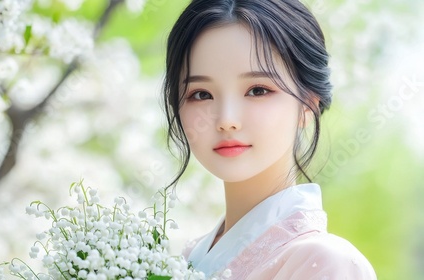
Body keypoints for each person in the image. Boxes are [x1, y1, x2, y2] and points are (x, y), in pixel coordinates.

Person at [161, 0, 377, 279]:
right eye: (201, 94)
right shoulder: (183, 258)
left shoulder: (326, 264)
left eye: (258, 90)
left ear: (307, 105)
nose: (227, 120)